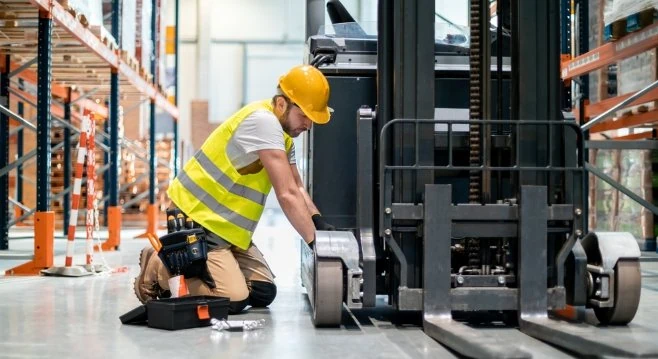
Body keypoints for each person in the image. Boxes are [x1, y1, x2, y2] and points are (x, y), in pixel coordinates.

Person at [133, 65, 336, 313]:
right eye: (304, 115)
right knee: (233, 298)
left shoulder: (283, 138)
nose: (309, 124)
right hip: (200, 218)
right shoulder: (264, 123)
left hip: (229, 230)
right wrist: (315, 243)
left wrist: (318, 223)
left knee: (262, 291)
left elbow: (297, 187)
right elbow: (287, 194)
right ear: (282, 104)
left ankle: (207, 267)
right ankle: (157, 266)